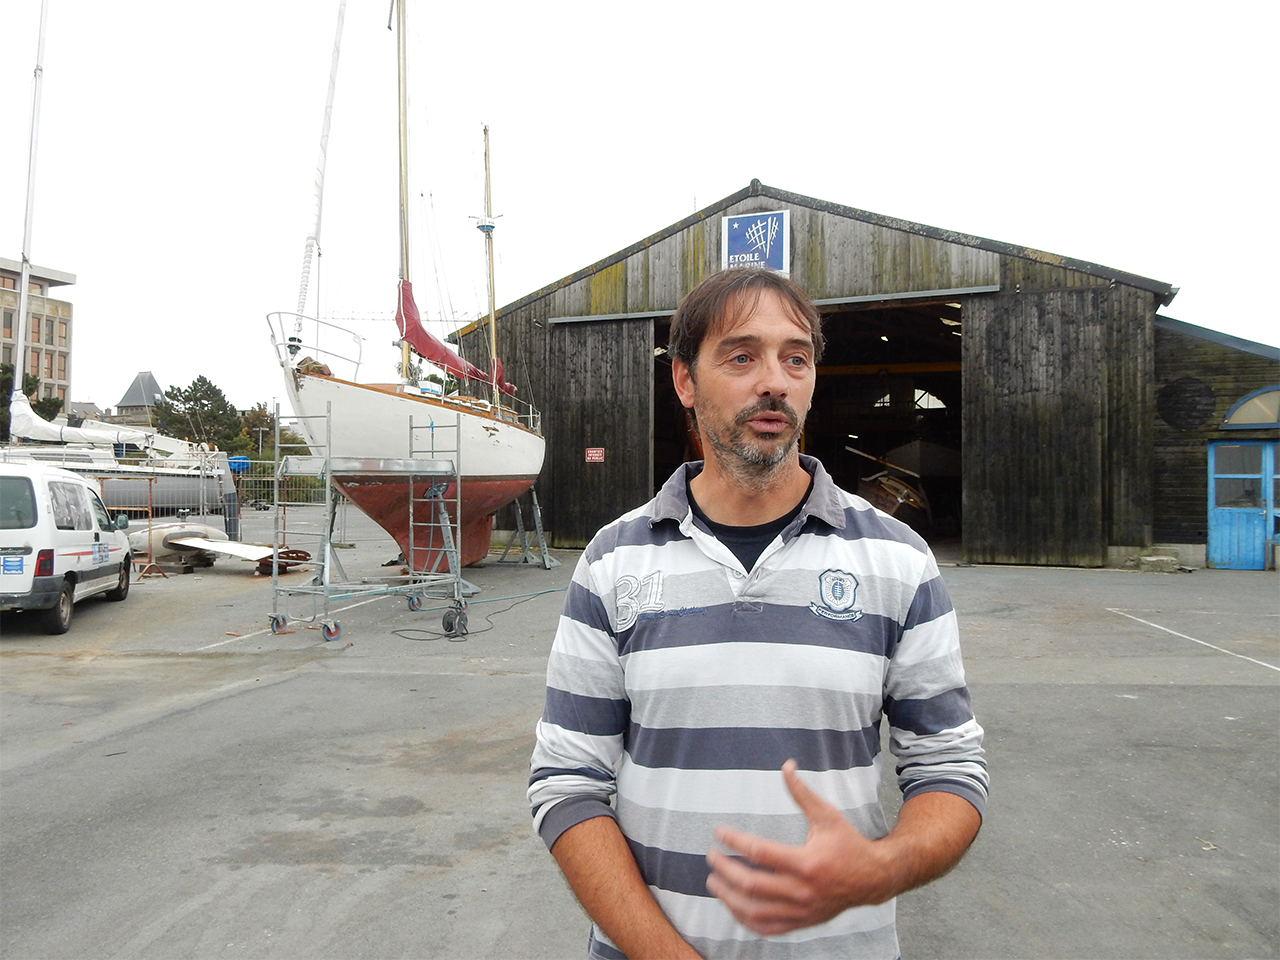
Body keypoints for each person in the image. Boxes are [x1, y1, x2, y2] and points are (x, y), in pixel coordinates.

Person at [528, 267, 987, 959]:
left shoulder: (898, 560)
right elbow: (568, 781)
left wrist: (884, 866)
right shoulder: (612, 561)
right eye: (742, 357)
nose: (774, 380)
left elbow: (949, 766)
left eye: (794, 359)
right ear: (685, 380)